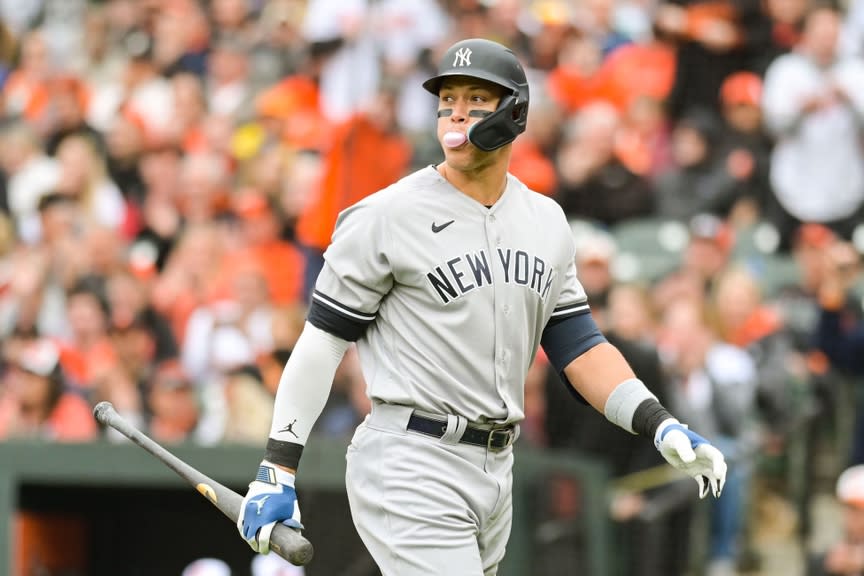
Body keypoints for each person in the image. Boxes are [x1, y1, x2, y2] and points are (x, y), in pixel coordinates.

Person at [236, 38, 728, 574]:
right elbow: (321, 343)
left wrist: (658, 423)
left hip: (497, 467)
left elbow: (579, 345)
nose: (458, 112)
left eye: (476, 99)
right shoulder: (386, 215)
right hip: (411, 457)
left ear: (515, 111)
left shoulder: (545, 221)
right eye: (448, 99)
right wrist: (278, 467)